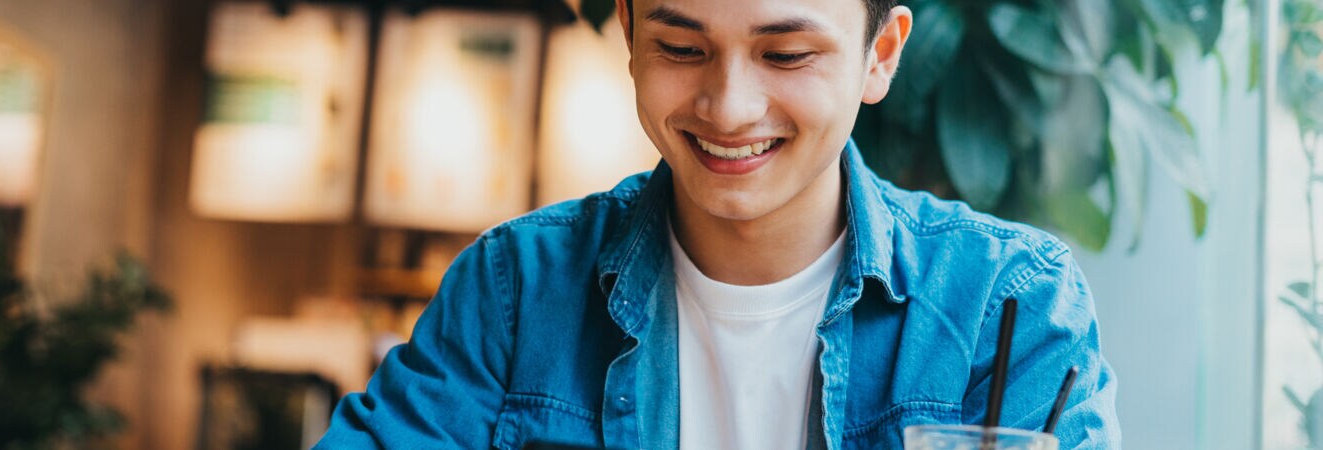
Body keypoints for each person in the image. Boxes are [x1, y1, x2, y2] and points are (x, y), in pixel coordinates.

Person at [314, 0, 1121, 447]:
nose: (728, 108)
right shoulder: (517, 291)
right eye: (681, 47)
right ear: (627, 34)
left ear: (881, 53)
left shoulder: (1005, 305)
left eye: (786, 55)